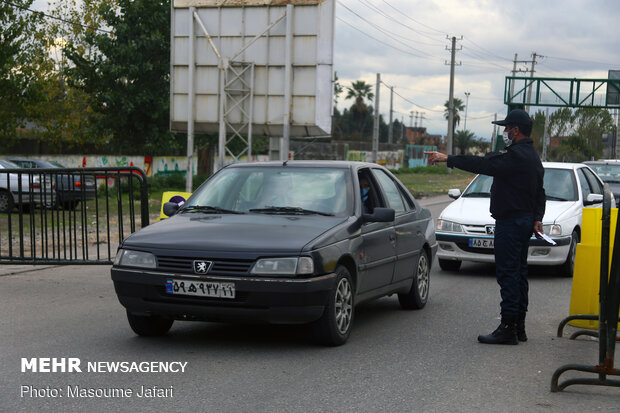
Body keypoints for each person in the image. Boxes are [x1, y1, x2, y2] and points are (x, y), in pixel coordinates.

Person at [425, 109, 546, 345]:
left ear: (516, 130)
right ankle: (519, 327)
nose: (505, 132)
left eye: (506, 128)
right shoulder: (532, 156)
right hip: (523, 221)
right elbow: (540, 191)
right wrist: (537, 218)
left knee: (508, 274)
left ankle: (508, 328)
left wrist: (447, 158)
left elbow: (481, 163)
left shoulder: (515, 156)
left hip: (511, 223)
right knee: (519, 274)